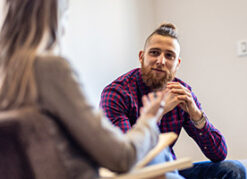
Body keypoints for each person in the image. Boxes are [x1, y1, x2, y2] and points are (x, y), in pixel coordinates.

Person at [0, 0, 170, 178]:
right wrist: (149, 120)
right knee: (164, 161)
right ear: (54, 19)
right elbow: (121, 156)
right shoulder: (49, 69)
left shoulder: (7, 77)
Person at [100, 23, 247, 179]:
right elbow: (127, 157)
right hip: (133, 174)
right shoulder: (117, 93)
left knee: (233, 169)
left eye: (169, 56)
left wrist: (196, 115)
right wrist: (158, 113)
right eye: (154, 53)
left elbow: (219, 154)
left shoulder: (182, 92)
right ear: (141, 57)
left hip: (170, 171)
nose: (161, 61)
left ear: (177, 64)